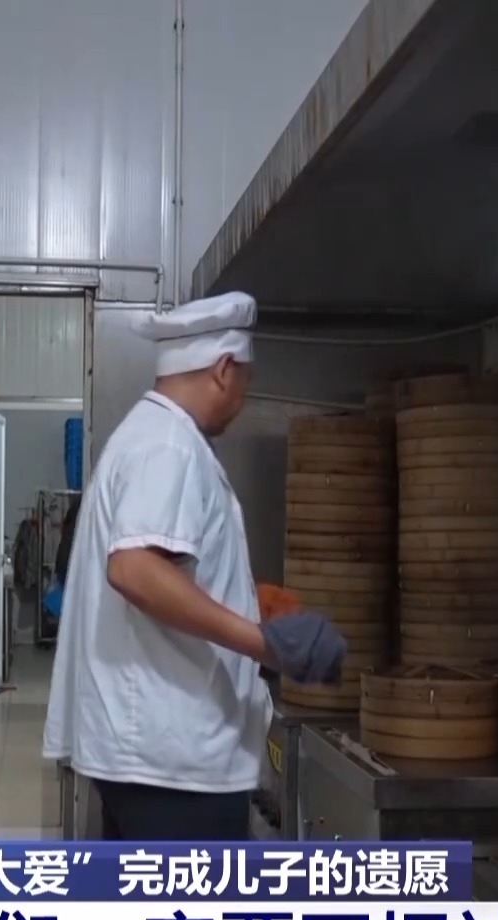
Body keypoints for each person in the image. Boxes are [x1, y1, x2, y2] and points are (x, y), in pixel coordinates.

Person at [42, 291, 348, 841]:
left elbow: (159, 569)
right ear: (225, 369)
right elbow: (134, 569)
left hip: (150, 757)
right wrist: (264, 643)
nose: (244, 396)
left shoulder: (147, 434)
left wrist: (246, 597)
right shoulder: (170, 446)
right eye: (247, 379)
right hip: (172, 764)